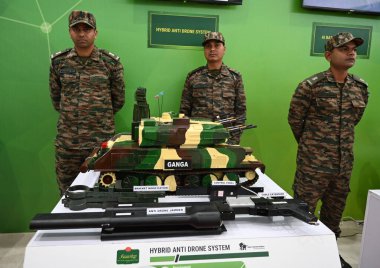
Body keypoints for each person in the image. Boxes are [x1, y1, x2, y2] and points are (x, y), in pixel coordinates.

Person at [288, 32, 369, 268]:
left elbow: (354, 120)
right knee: (303, 215)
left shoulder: (360, 87)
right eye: (344, 48)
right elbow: (295, 121)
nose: (351, 52)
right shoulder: (310, 86)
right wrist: (314, 147)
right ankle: (300, 258)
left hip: (343, 166)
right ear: (328, 55)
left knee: (334, 217)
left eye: (353, 48)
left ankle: (329, 257)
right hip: (312, 167)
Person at [49, 10, 125, 194]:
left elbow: (118, 100)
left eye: (87, 29)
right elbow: (56, 99)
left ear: (95, 32)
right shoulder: (59, 62)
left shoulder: (110, 63)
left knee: (104, 193)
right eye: (77, 29)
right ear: (70, 32)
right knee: (67, 196)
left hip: (100, 144)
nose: (82, 34)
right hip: (68, 146)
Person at [179, 32, 246, 145]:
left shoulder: (235, 77)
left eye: (217, 45)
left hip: (227, 139)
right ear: (204, 50)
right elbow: (184, 112)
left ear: (224, 49)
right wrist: (189, 137)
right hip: (197, 139)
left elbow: (241, 112)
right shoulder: (193, 77)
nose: (212, 49)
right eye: (208, 46)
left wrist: (234, 139)